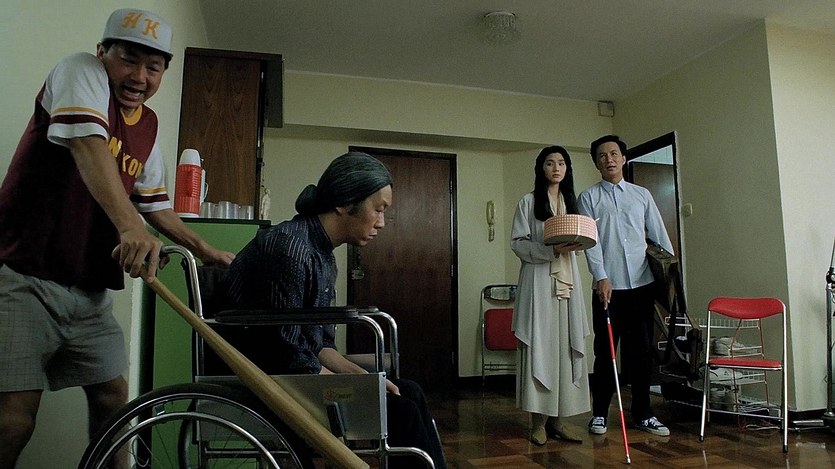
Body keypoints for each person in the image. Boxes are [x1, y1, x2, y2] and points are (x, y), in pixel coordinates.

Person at [0, 9, 235, 468]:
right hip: (26, 275)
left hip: (89, 292)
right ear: (101, 52)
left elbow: (154, 205)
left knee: (114, 402)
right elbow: (88, 145)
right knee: (13, 419)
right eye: (128, 60)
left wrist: (203, 248)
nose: (139, 77)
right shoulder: (79, 71)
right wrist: (130, 228)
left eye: (154, 67)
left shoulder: (147, 125)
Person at [222, 151, 447, 469]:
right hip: (267, 374)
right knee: (402, 412)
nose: (382, 223)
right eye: (378, 209)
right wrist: (352, 387)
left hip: (293, 367)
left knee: (409, 392)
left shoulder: (322, 253)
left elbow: (320, 344)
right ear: (344, 203)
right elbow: (285, 352)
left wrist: (362, 378)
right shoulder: (290, 247)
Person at [577, 135, 674, 437]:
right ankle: (599, 414)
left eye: (614, 154)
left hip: (642, 284)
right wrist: (601, 276)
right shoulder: (588, 198)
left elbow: (659, 235)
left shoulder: (641, 194)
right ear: (596, 163)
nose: (609, 159)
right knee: (605, 352)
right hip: (608, 288)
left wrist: (670, 276)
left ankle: (643, 414)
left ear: (623, 158)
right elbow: (591, 243)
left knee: (641, 352)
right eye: (602, 155)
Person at [511, 146, 591, 445]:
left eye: (561, 163)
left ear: (567, 168)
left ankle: (559, 420)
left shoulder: (573, 203)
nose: (556, 168)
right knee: (541, 346)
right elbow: (518, 243)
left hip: (568, 280)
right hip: (538, 280)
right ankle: (538, 423)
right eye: (549, 163)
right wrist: (549, 250)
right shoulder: (528, 201)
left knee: (565, 345)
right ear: (541, 168)